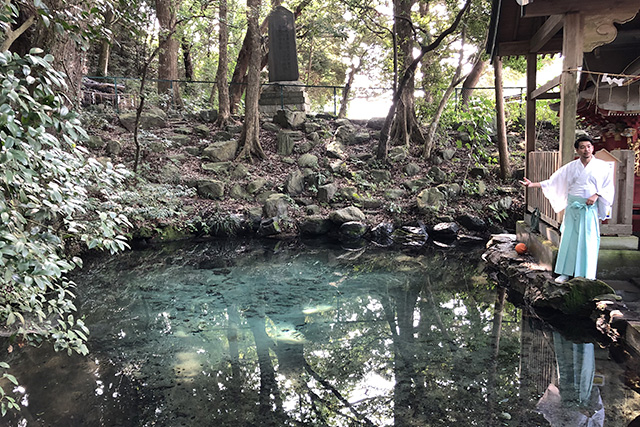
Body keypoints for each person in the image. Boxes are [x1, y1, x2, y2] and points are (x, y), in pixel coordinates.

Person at [520, 135, 615, 283]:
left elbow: (608, 187)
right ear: (577, 150)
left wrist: (596, 195)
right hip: (573, 208)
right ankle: (565, 272)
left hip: (589, 209)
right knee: (569, 239)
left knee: (588, 240)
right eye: (582, 147)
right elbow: (553, 182)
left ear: (593, 148)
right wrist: (533, 185)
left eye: (589, 146)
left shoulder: (602, 167)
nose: (586, 150)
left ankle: (587, 275)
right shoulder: (571, 167)